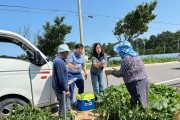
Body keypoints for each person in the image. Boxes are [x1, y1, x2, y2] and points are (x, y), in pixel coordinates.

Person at [105, 40, 149, 108]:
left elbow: (120, 73)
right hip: (144, 82)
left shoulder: (126, 59)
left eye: (119, 51)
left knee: (139, 105)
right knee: (143, 102)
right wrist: (118, 69)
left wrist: (110, 72)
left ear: (123, 51)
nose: (119, 54)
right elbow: (130, 69)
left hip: (135, 84)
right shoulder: (136, 57)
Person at [52, 44, 71, 117]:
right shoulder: (59, 62)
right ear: (63, 52)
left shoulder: (58, 60)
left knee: (62, 105)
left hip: (59, 87)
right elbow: (61, 78)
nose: (68, 53)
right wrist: (66, 90)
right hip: (61, 89)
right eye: (67, 52)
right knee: (64, 108)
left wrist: (66, 81)